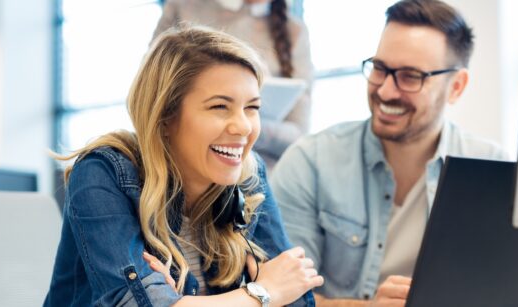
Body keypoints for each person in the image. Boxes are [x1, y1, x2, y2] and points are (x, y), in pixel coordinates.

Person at [44, 24, 322, 307]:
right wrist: (262, 294)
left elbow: (296, 294)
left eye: (252, 107)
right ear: (165, 116)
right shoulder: (102, 173)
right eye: (219, 107)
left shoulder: (249, 174)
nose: (243, 127)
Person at [270, 0, 506, 305]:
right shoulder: (309, 163)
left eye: (410, 76)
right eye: (380, 69)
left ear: (456, 87)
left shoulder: (495, 172)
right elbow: (282, 300)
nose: (385, 91)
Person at [154, 0, 314, 167]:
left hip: (263, 172)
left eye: (253, 107)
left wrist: (241, 123)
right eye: (219, 105)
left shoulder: (294, 31)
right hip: (182, 166)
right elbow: (152, 93)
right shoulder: (184, 7)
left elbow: (299, 133)